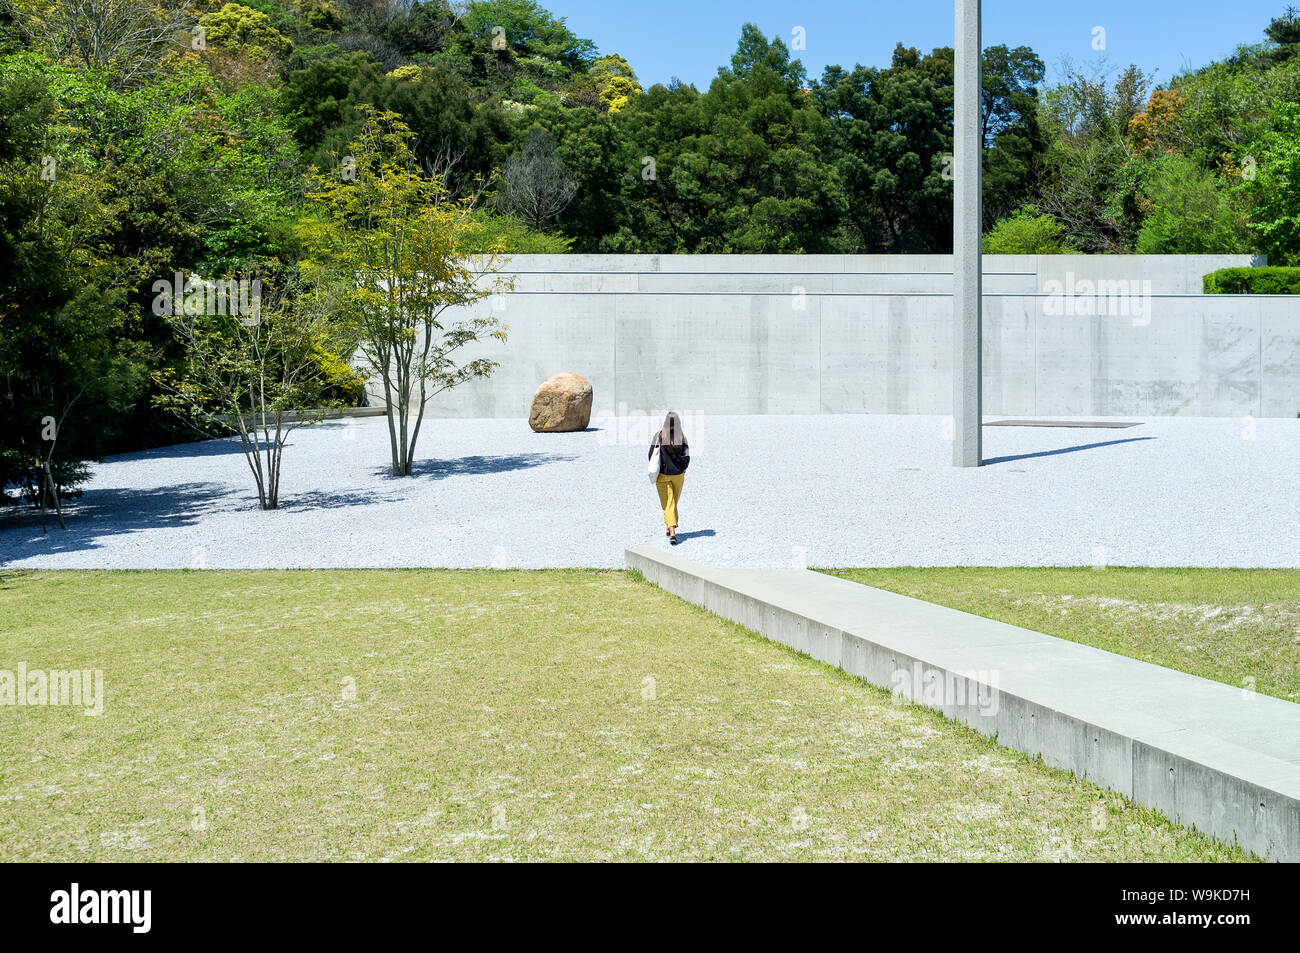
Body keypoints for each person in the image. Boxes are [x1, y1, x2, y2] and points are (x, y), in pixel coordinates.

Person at [649, 411, 690, 545]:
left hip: (663, 475)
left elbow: (651, 455)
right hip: (678, 475)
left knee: (669, 503)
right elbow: (687, 456)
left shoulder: (659, 436)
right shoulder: (682, 437)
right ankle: (672, 532)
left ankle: (669, 526)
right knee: (672, 502)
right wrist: (683, 468)